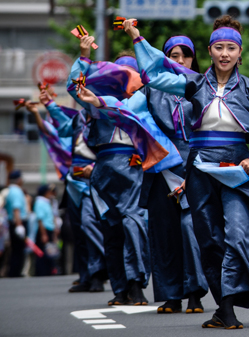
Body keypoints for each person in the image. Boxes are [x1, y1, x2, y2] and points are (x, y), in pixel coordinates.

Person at [125, 17, 249, 329]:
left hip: (238, 171)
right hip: (201, 169)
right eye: (219, 48)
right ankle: (225, 308)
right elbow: (158, 74)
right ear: (210, 51)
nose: (225, 54)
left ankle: (230, 300)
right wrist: (137, 39)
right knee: (210, 241)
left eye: (231, 48)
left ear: (240, 53)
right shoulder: (193, 84)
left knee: (238, 236)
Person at [65, 40, 158, 307]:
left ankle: (136, 284)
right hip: (105, 170)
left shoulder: (143, 101)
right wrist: (84, 55)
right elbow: (75, 87)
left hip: (133, 166)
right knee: (112, 228)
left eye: (129, 75)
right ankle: (120, 288)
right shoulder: (97, 102)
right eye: (118, 74)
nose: (123, 80)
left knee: (134, 224)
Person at [136, 34, 208, 314]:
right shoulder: (149, 89)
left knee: (191, 229)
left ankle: (194, 293)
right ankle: (170, 295)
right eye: (172, 55)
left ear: (193, 58)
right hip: (161, 167)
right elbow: (132, 119)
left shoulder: (203, 86)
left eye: (185, 55)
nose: (179, 60)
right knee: (163, 232)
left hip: (194, 164)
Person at [30, 90, 107, 292]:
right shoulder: (80, 117)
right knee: (79, 229)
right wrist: (49, 106)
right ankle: (86, 276)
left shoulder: (107, 115)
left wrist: (97, 168)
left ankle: (100, 272)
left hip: (96, 178)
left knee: (91, 225)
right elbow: (62, 129)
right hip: (75, 181)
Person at [4, 170, 28, 278]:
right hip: (17, 222)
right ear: (18, 179)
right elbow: (16, 209)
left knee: (16, 249)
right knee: (18, 250)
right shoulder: (16, 191)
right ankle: (15, 272)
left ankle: (14, 271)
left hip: (13, 222)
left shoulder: (10, 190)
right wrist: (19, 225)